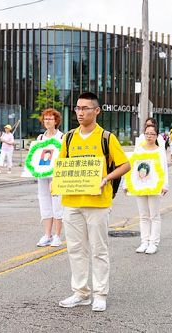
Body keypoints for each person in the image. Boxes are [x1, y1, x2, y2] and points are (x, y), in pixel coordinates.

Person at [58, 92, 130, 312]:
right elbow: (61, 165)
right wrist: (58, 184)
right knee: (75, 249)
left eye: (86, 108)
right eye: (78, 108)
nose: (80, 112)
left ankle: (100, 294)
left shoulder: (106, 137)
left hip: (98, 203)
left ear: (97, 111)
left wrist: (106, 178)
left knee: (99, 250)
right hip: (71, 201)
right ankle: (81, 292)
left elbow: (125, 165)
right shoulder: (69, 137)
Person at [126, 123, 169, 254]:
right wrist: (126, 184)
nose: (149, 136)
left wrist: (165, 185)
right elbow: (132, 167)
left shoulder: (159, 150)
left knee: (154, 215)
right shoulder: (139, 149)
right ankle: (144, 241)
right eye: (147, 133)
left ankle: (153, 243)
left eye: (152, 134)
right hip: (140, 185)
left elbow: (164, 168)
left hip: (154, 186)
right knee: (143, 215)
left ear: (157, 136)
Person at [35, 108, 64, 248]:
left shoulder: (62, 137)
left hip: (57, 176)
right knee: (44, 202)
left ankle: (57, 235)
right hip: (42, 175)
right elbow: (34, 156)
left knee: (57, 204)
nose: (47, 121)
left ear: (56, 121)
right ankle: (47, 234)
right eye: (45, 119)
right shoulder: (40, 138)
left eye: (50, 119)